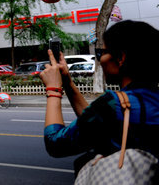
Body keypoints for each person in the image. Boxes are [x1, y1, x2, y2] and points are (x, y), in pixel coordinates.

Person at [40, 20, 159, 175]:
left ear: (120, 58)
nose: (100, 60)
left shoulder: (113, 104)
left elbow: (55, 144)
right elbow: (96, 124)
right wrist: (67, 83)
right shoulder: (145, 101)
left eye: (101, 53)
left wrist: (53, 90)